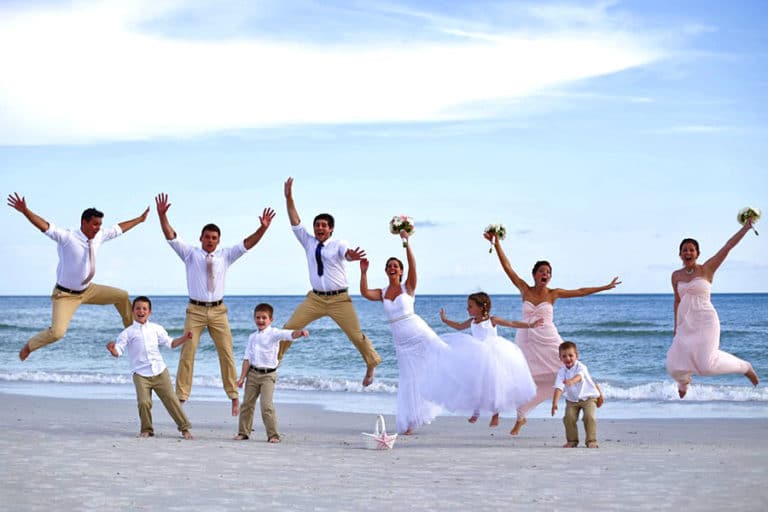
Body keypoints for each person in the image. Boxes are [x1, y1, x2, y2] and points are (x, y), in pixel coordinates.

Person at [485, 232, 620, 435]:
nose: (545, 274)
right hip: (526, 339)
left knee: (568, 365)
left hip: (548, 338)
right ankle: (519, 416)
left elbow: (580, 291)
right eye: (541, 271)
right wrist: (496, 244)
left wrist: (605, 287)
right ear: (534, 274)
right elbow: (508, 268)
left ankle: (594, 390)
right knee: (521, 375)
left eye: (548, 272)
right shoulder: (524, 289)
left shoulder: (553, 293)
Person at [155, 192, 276, 416]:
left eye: (214, 238)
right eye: (207, 237)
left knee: (227, 353)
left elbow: (248, 244)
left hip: (219, 311)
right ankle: (181, 398)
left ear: (218, 240)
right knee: (187, 353)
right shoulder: (190, 254)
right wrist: (162, 216)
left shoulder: (225, 255)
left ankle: (233, 396)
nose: (210, 241)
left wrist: (263, 228)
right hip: (196, 310)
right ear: (201, 238)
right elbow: (171, 236)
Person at [7, 192, 149, 361]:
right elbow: (44, 226)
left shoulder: (99, 236)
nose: (98, 228)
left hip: (88, 289)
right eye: (95, 224)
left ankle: (132, 334)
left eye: (100, 224)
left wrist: (139, 219)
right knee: (57, 333)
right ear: (84, 222)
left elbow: (119, 228)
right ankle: (29, 346)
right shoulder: (67, 237)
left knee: (122, 296)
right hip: (65, 295)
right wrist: (25, 211)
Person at [278, 177, 381, 387]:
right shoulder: (308, 242)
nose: (319, 228)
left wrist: (352, 256)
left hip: (339, 300)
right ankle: (274, 360)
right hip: (315, 298)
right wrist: (289, 197)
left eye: (324, 225)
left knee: (355, 334)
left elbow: (347, 254)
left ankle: (371, 363)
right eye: (317, 225)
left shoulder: (338, 244)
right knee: (290, 327)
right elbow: (295, 221)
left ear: (331, 229)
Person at [359, 230, 452, 434]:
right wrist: (364, 272)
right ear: (386, 271)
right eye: (389, 266)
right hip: (402, 343)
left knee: (445, 355)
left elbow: (413, 266)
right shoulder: (382, 293)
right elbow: (365, 293)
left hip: (419, 332)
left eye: (396, 266)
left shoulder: (408, 287)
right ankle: (411, 421)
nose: (393, 268)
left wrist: (406, 242)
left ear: (400, 271)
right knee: (409, 380)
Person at [666, 220, 760, 398]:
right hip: (686, 322)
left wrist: (746, 228)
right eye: (684, 250)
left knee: (706, 365)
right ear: (680, 254)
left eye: (691, 249)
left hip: (706, 321)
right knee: (673, 363)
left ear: (697, 253)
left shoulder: (707, 269)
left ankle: (745, 367)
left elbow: (728, 246)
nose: (688, 252)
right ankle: (684, 381)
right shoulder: (675, 276)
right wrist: (676, 326)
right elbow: (677, 301)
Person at [439, 292, 539, 428]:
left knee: (494, 384)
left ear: (481, 307)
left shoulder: (492, 320)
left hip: (493, 354)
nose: (467, 309)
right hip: (476, 355)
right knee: (474, 383)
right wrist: (445, 320)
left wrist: (530, 325)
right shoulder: (472, 321)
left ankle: (495, 414)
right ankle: (476, 410)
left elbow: (511, 323)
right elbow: (459, 326)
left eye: (470, 306)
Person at [106, 296, 194, 439]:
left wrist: (185, 338)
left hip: (160, 371)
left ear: (149, 312)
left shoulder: (156, 329)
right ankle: (147, 429)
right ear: (133, 311)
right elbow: (118, 351)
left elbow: (171, 343)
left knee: (172, 400)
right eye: (138, 308)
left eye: (144, 309)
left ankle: (185, 429)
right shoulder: (127, 333)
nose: (141, 311)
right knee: (144, 402)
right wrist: (112, 350)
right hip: (140, 374)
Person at [234, 303, 309, 443]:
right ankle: (243, 432)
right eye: (258, 317)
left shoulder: (274, 333)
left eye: (264, 318)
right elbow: (246, 359)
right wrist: (242, 378)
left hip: (268, 376)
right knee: (247, 405)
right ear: (254, 318)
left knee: (266, 405)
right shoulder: (252, 337)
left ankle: (273, 435)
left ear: (271, 320)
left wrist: (300, 332)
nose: (260, 320)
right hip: (252, 374)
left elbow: (289, 334)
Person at [551, 341, 603, 448]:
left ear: (576, 356)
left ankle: (591, 441)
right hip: (572, 400)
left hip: (588, 397)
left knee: (589, 417)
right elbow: (559, 387)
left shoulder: (581, 367)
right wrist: (554, 403)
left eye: (571, 355)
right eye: (564, 356)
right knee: (568, 418)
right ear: (560, 358)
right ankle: (572, 441)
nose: (568, 358)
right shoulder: (562, 372)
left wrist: (571, 381)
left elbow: (579, 376)